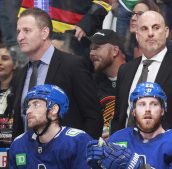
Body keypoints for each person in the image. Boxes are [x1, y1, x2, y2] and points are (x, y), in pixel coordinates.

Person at [111, 10, 172, 140]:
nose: (150, 33)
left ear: (166, 32)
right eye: (144, 29)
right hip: (125, 152)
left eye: (156, 28)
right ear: (137, 35)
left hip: (168, 154)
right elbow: (119, 117)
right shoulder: (125, 70)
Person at [12, 8, 103, 139]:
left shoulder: (73, 66)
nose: (20, 37)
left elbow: (93, 116)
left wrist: (83, 152)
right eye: (18, 32)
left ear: (44, 33)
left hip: (68, 156)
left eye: (27, 30)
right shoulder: (20, 75)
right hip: (29, 156)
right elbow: (19, 124)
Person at [86, 82, 172, 169]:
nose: (148, 109)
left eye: (154, 104)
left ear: (162, 110)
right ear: (133, 111)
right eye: (142, 104)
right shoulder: (119, 138)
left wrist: (141, 168)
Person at [9, 84, 92, 168]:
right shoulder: (19, 144)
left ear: (53, 109)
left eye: (36, 105)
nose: (28, 111)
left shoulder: (78, 141)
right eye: (28, 106)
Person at [89, 29, 126, 138]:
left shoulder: (136, 76)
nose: (91, 53)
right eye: (91, 48)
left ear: (115, 51)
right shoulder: (91, 82)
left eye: (97, 48)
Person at [0, 43, 17, 147]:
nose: (0, 62)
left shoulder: (21, 91)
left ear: (15, 63)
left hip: (13, 147)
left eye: (4, 58)